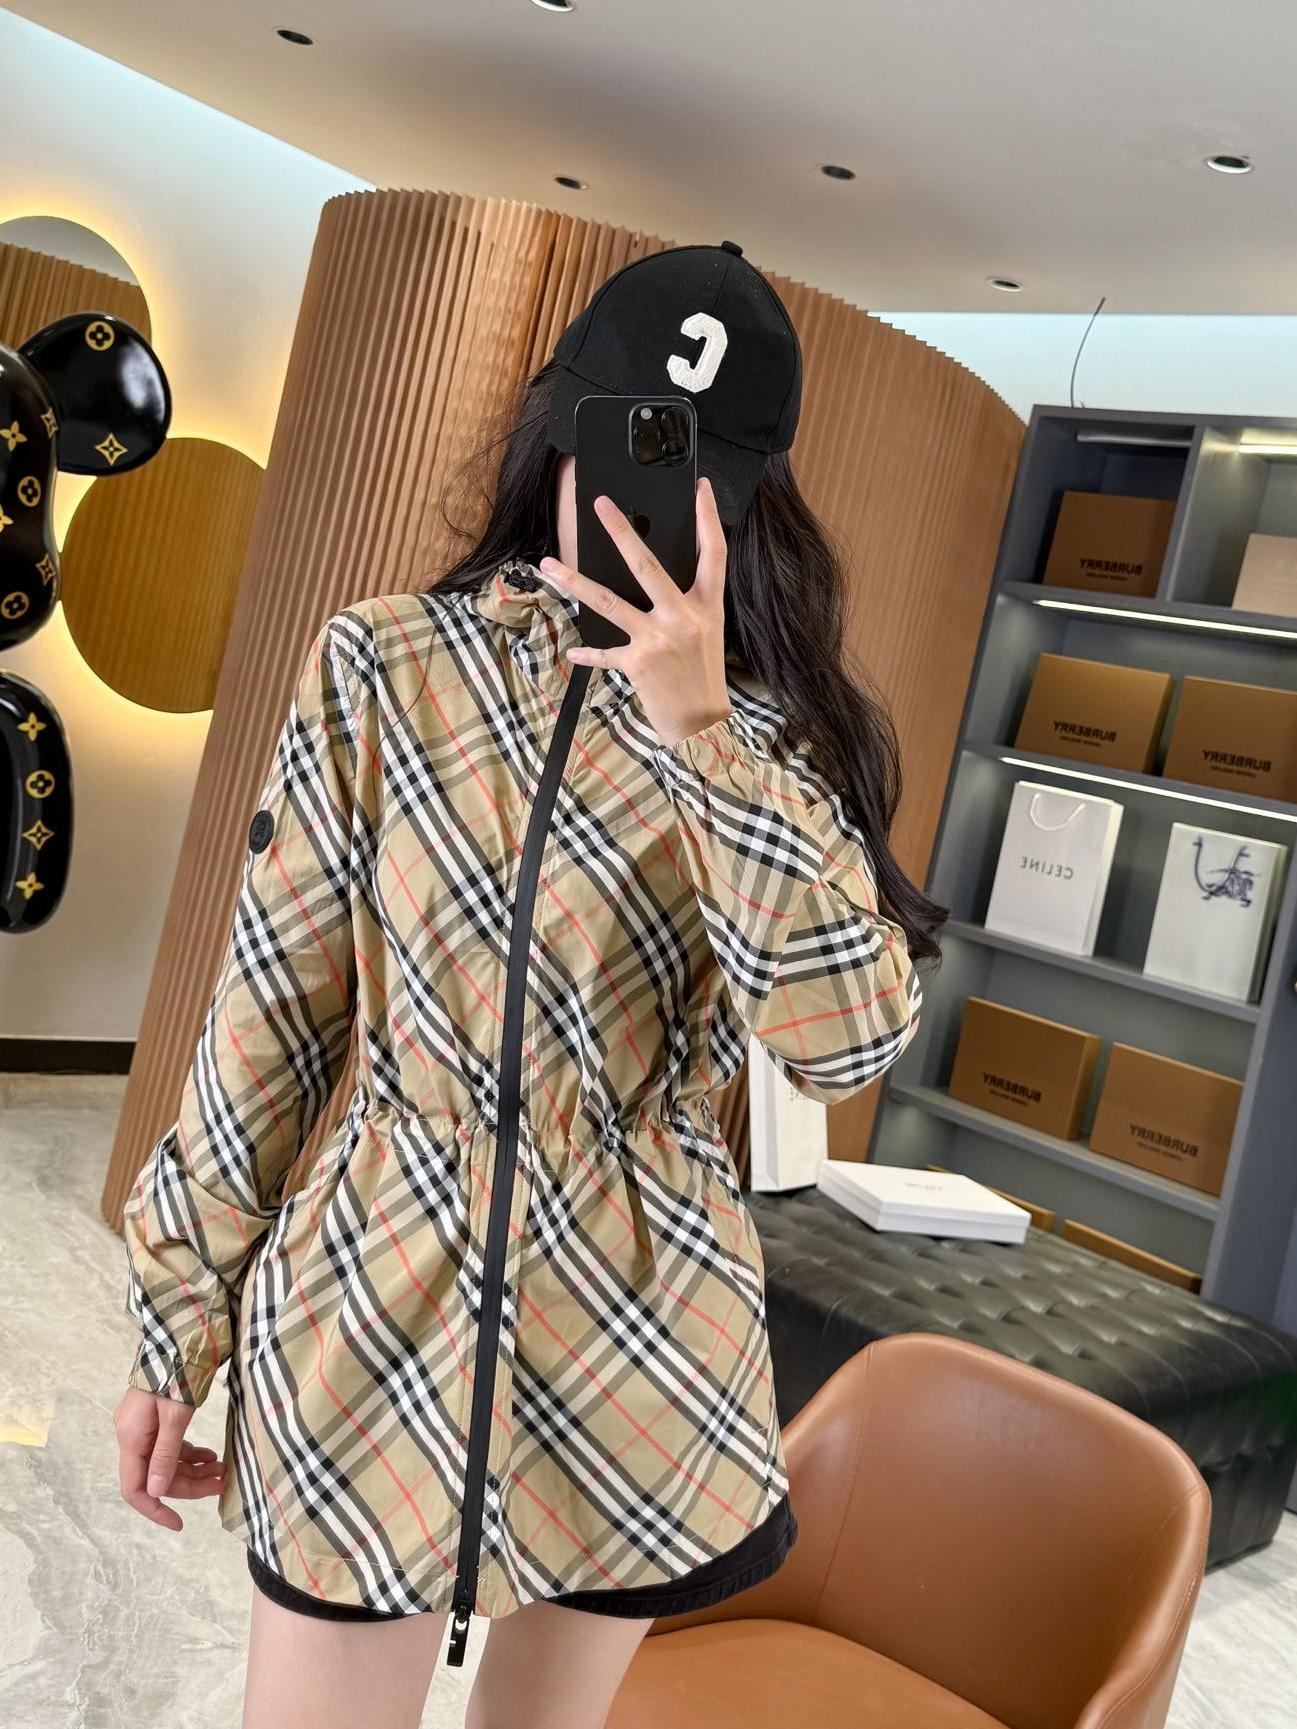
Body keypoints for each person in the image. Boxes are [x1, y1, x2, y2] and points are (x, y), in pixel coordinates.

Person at [113, 240, 946, 1729]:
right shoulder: (384, 668)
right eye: (621, 444)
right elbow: (268, 1019)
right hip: (371, 1314)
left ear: (747, 500)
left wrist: (700, 739)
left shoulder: (774, 748)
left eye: (689, 476)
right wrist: (180, 1325)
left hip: (643, 1350)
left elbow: (842, 1044)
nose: (633, 505)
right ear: (557, 426)